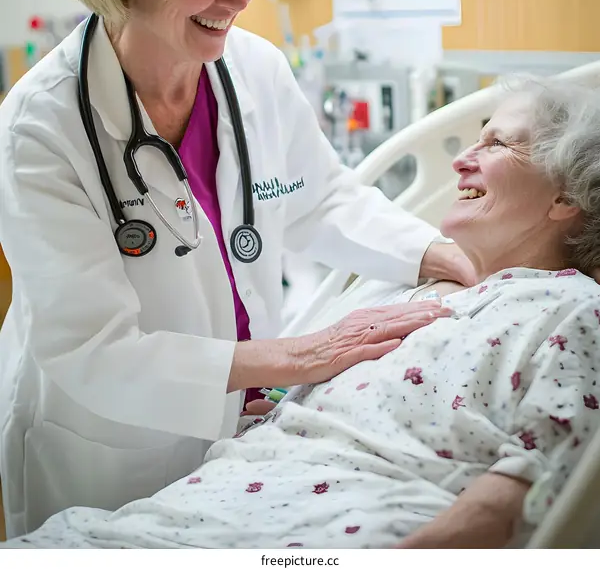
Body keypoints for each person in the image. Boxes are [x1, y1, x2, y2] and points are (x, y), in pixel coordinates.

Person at [0, 0, 472, 538]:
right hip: (109, 445)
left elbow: (321, 199)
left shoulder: (253, 69)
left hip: (247, 422)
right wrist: (301, 356)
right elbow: (95, 353)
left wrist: (439, 254)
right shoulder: (39, 129)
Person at [4, 77, 600, 550]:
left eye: (497, 143)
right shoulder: (397, 295)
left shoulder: (572, 313)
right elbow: (98, 347)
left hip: (324, 529)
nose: (462, 159)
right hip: (191, 511)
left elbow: (513, 501)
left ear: (567, 197)